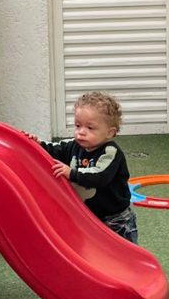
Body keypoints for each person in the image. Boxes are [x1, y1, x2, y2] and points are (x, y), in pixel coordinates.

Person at [33, 91, 138, 243]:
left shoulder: (110, 152)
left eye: (90, 127)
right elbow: (53, 149)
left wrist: (72, 173)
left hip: (115, 220)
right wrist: (35, 144)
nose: (81, 132)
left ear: (110, 133)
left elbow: (99, 176)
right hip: (88, 215)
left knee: (123, 251)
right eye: (78, 125)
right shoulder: (73, 145)